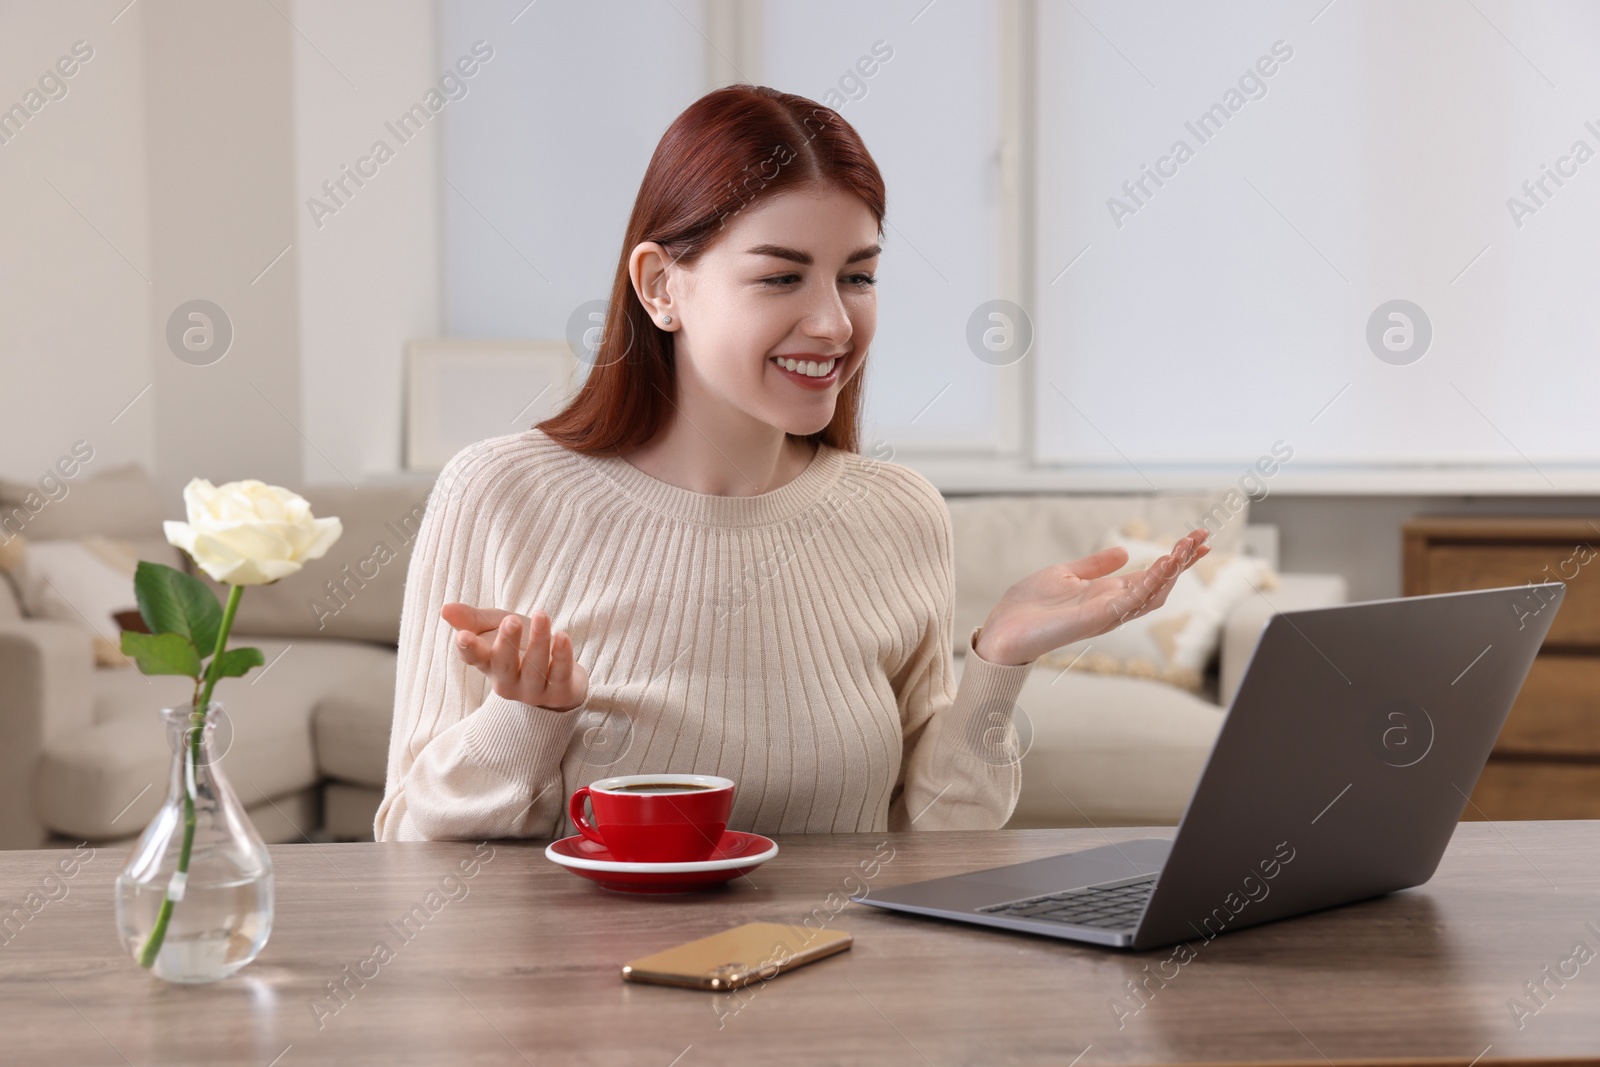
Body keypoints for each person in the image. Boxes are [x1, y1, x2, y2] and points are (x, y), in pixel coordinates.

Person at [374, 85, 1208, 843]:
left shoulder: (901, 512)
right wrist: (524, 717)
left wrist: (1000, 660)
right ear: (661, 286)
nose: (835, 324)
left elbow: (937, 838)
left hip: (840, 983)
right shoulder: (499, 493)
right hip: (581, 993)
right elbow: (408, 839)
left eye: (858, 277)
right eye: (781, 277)